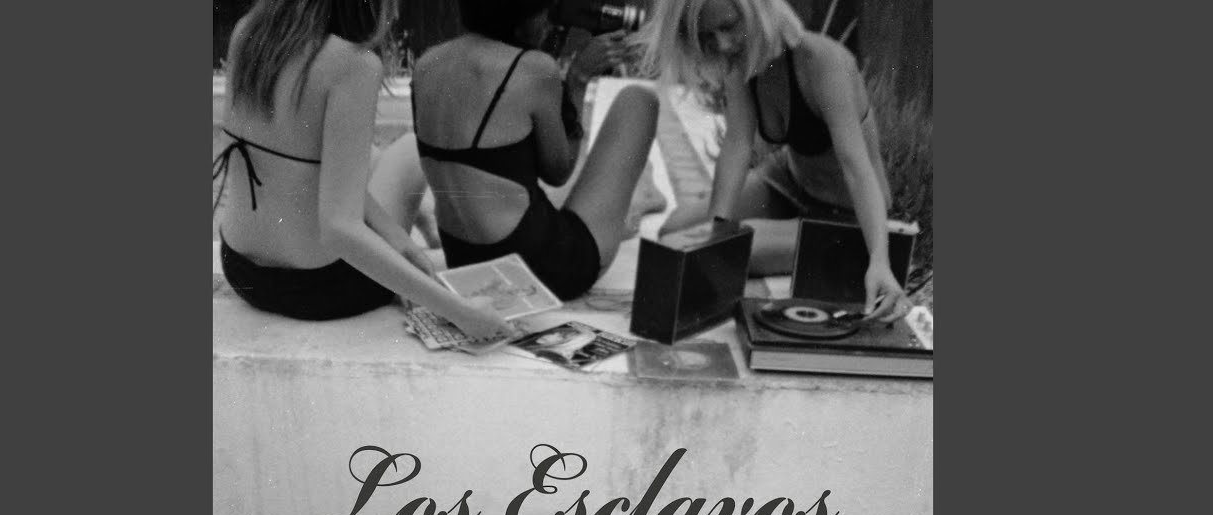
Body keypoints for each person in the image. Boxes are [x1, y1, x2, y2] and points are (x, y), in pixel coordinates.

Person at [213, 0, 511, 339]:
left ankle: (417, 227)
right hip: (323, 288)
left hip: (242, 271)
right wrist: (460, 312)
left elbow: (298, 168)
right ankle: (423, 220)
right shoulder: (353, 64)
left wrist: (397, 241)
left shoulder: (248, 31)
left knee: (364, 155)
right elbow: (340, 230)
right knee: (407, 149)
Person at [639, 0, 911, 322]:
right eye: (707, 36)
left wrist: (880, 259)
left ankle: (851, 245)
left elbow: (856, 168)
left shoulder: (822, 62)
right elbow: (737, 145)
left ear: (759, 10)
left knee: (741, 247)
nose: (722, 44)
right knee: (677, 232)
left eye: (728, 26)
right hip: (788, 184)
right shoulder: (741, 62)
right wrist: (716, 230)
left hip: (846, 212)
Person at [410, 0, 660, 301]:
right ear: (524, 16)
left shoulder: (427, 62)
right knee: (639, 102)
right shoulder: (533, 68)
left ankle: (638, 200)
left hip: (464, 262)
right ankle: (640, 199)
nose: (548, 22)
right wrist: (579, 77)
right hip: (541, 271)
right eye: (545, 12)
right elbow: (559, 171)